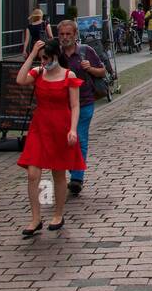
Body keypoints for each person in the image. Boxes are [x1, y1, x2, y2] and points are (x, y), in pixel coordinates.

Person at [15, 38, 84, 237]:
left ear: (56, 56)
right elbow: (20, 80)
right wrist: (31, 55)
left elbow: (75, 105)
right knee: (32, 174)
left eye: (46, 57)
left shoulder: (68, 75)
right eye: (41, 58)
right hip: (40, 127)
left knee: (58, 174)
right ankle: (35, 218)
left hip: (60, 128)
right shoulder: (38, 73)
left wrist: (72, 129)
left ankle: (58, 214)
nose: (43, 61)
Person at [56, 18, 104, 196]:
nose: (65, 37)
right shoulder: (56, 54)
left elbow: (103, 71)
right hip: (61, 105)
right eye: (62, 34)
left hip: (84, 102)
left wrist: (90, 68)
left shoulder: (86, 51)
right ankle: (71, 170)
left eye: (68, 34)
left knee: (80, 138)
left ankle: (77, 178)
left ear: (75, 35)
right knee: (64, 140)